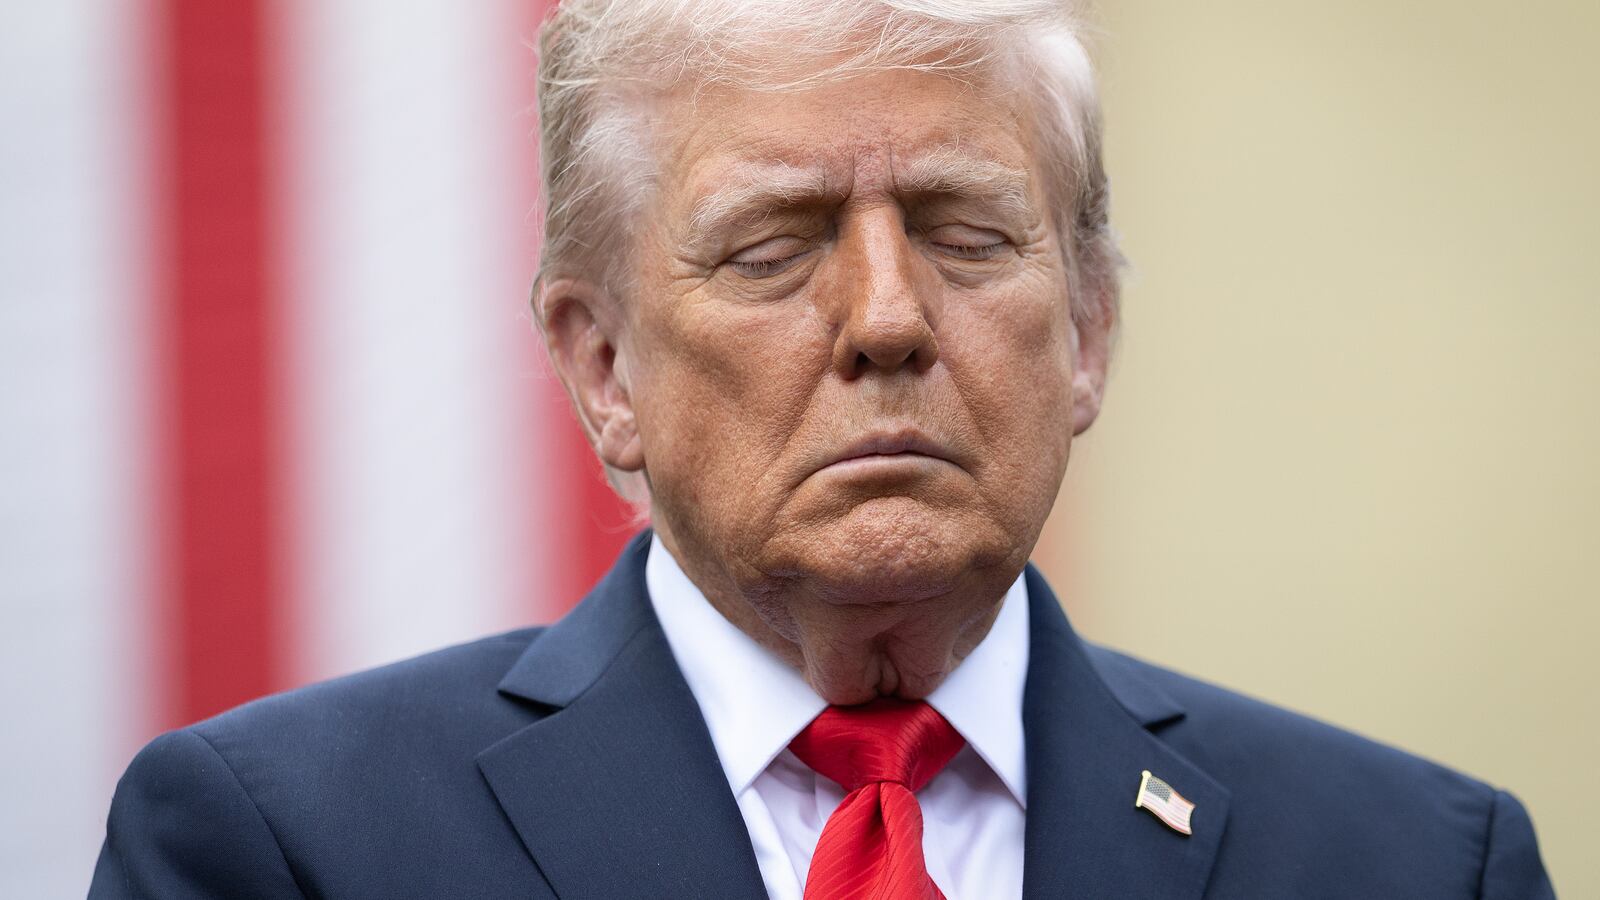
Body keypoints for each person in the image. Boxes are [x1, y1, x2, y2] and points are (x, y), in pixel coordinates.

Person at [90, 1, 1555, 897]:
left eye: (965, 233)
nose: (888, 320)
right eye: (774, 248)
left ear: (1091, 331)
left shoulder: (1417, 864)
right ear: (604, 369)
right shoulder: (291, 850)